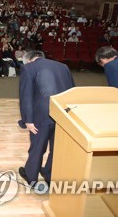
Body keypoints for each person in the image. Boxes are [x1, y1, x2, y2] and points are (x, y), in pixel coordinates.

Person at [18, 50, 75, 187]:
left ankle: (31, 177)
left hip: (41, 115)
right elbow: (73, 90)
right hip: (63, 114)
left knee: (37, 147)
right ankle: (49, 174)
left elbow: (26, 96)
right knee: (57, 148)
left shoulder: (28, 68)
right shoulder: (63, 67)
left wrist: (28, 120)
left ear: (29, 59)